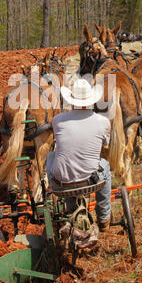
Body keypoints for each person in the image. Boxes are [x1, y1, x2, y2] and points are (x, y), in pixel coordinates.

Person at [46, 78, 112, 232]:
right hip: (91, 181)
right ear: (92, 100)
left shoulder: (57, 120)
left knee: (52, 157)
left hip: (60, 184)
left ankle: (71, 210)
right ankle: (103, 217)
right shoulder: (103, 121)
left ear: (71, 100)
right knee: (105, 165)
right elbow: (105, 144)